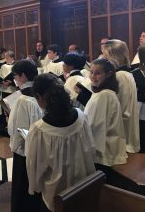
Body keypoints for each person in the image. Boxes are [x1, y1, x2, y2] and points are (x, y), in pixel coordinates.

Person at [26, 73, 95, 211]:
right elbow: (90, 148)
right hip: (83, 184)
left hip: (56, 193)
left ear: (40, 97)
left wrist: (36, 187)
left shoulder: (39, 129)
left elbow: (34, 166)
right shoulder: (80, 116)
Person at [7, 60, 43, 212]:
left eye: (15, 75)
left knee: (23, 187)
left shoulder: (22, 100)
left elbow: (17, 129)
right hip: (41, 147)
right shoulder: (41, 91)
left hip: (25, 150)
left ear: (22, 76)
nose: (15, 79)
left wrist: (9, 118)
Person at [80, 59, 127, 172]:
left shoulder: (104, 95)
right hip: (106, 151)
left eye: (98, 73)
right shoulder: (106, 93)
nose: (93, 76)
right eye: (91, 72)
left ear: (108, 74)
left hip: (102, 156)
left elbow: (95, 127)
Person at [102, 39, 140, 153]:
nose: (104, 60)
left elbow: (119, 108)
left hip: (121, 133)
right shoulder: (127, 74)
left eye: (105, 57)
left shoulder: (120, 76)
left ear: (114, 56)